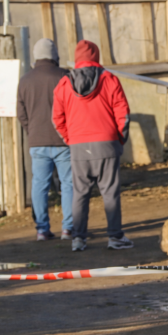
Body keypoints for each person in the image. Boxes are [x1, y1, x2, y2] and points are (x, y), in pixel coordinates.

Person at [52, 40, 133, 252]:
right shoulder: (109, 79)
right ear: (96, 56)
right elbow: (122, 113)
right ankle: (115, 237)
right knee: (110, 193)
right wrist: (119, 139)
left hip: (78, 145)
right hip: (106, 143)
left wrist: (70, 139)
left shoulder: (63, 84)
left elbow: (57, 118)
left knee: (80, 193)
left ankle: (78, 238)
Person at [17, 39, 73, 241]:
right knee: (68, 184)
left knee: (40, 185)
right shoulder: (65, 76)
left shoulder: (24, 80)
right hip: (64, 140)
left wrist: (31, 131)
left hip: (37, 140)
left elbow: (21, 114)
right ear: (54, 55)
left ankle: (41, 229)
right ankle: (68, 228)